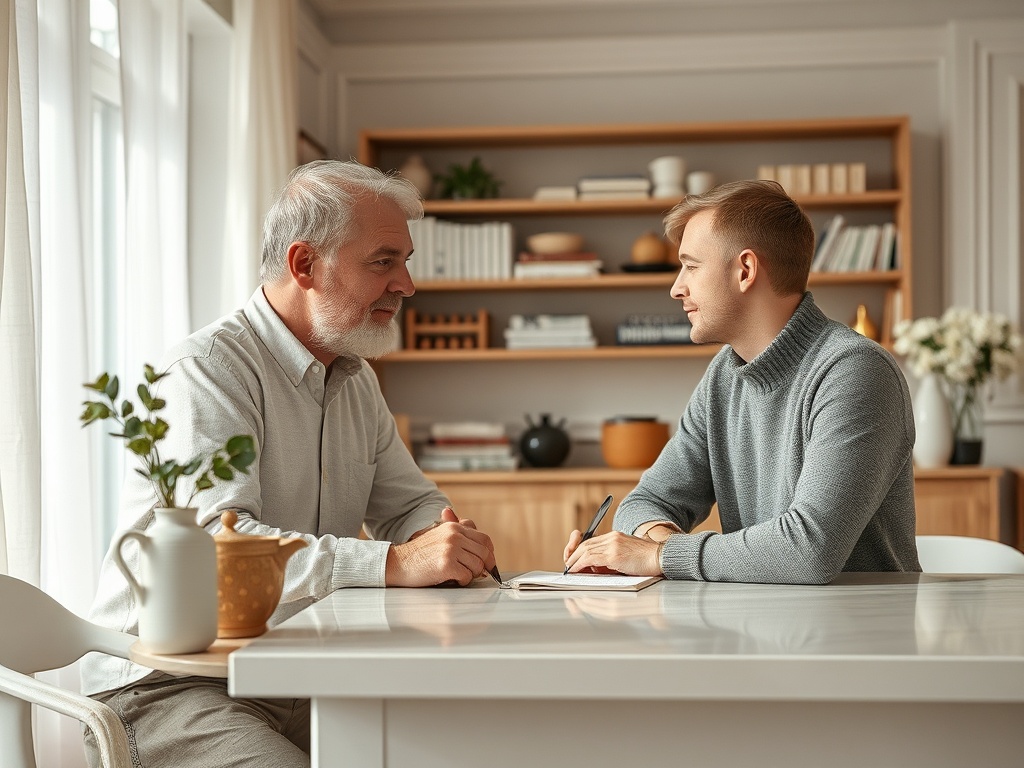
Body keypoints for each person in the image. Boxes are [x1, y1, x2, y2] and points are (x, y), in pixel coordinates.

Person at [82, 160, 497, 767]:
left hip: (300, 673)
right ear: (304, 265)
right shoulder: (207, 372)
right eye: (384, 261)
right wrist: (397, 561)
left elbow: (408, 505)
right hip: (171, 683)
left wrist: (445, 539)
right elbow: (221, 550)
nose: (406, 285)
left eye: (405, 262)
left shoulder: (355, 381)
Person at [563, 179, 920, 584]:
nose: (676, 288)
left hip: (854, 638)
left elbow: (809, 551)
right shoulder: (725, 374)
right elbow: (645, 502)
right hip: (754, 628)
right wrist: (652, 544)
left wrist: (660, 555)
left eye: (691, 266)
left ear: (746, 270)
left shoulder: (855, 371)